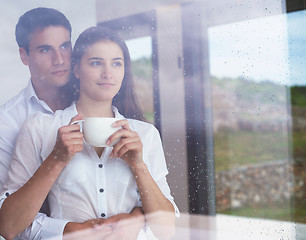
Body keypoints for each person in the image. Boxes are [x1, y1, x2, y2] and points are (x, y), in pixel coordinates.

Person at [0, 26, 179, 240]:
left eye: (116, 63)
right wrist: (56, 160)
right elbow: (8, 226)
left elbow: (168, 231)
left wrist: (138, 165)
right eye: (96, 63)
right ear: (76, 69)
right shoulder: (39, 128)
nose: (108, 73)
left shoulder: (145, 134)